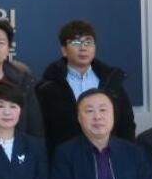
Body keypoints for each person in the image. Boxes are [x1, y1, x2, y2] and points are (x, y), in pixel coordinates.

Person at [35, 20, 136, 154]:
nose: (83, 48)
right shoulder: (48, 87)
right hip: (65, 159)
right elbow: (42, 130)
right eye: (76, 43)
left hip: (110, 156)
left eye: (88, 42)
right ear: (64, 50)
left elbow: (126, 124)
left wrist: (126, 155)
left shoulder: (111, 81)